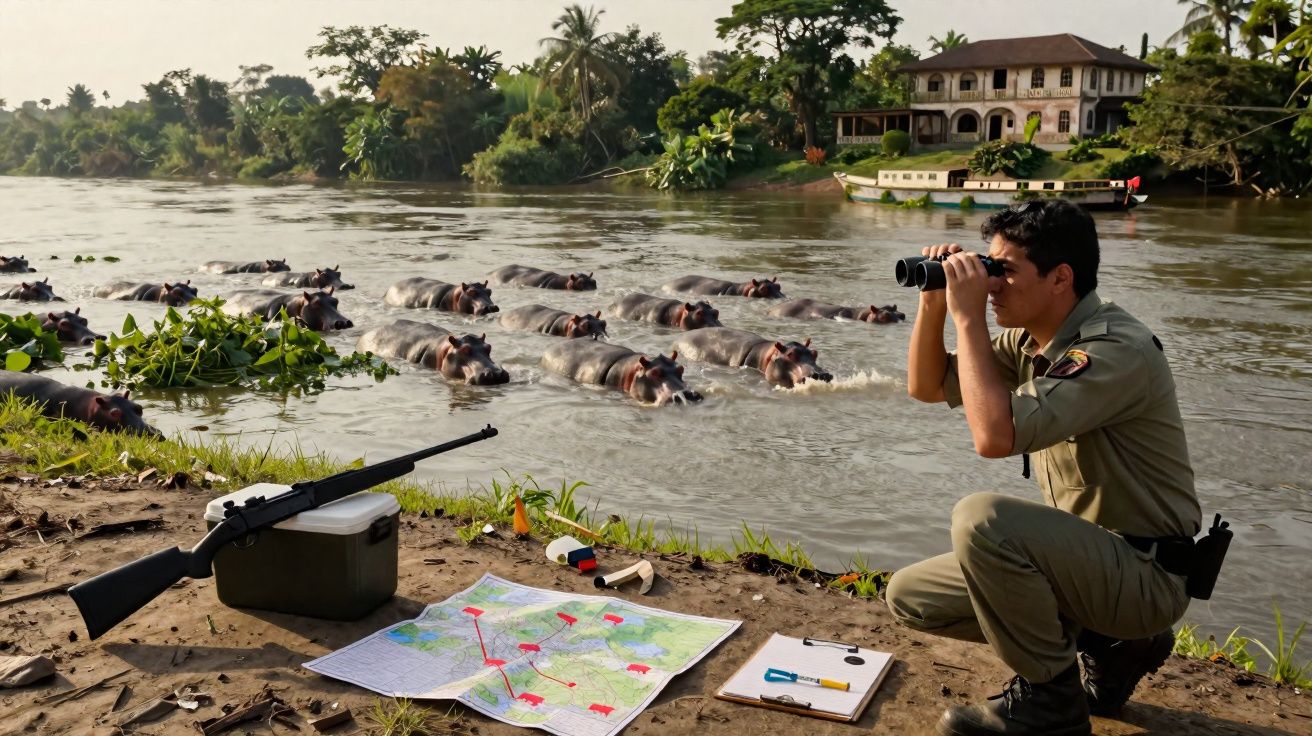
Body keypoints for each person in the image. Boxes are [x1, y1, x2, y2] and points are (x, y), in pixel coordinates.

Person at [887, 199, 1202, 736]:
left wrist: (968, 317)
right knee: (912, 597)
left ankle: (1050, 703)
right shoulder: (1033, 342)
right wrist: (935, 301)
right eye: (988, 269)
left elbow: (993, 438)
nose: (990, 287)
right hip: (1090, 565)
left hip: (1145, 574)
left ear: (1061, 278)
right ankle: (1110, 644)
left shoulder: (1114, 349)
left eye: (1003, 272)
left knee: (983, 520)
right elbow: (925, 386)